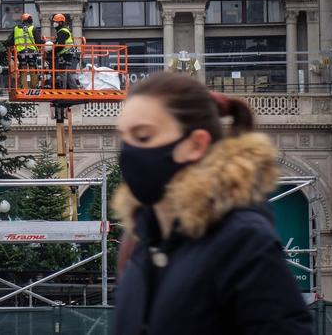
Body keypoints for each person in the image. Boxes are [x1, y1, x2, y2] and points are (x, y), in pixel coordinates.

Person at [112, 72, 312, 335]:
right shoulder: (139, 240)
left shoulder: (244, 242)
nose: (128, 152)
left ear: (196, 144)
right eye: (124, 138)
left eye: (144, 137)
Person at [5, 13, 43, 89]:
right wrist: (46, 42)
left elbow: (10, 41)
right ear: (30, 20)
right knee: (33, 68)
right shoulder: (33, 28)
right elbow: (38, 41)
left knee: (23, 69)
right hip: (32, 52)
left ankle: (24, 88)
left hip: (21, 52)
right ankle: (34, 87)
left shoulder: (16, 28)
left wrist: (4, 45)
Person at [51, 14, 79, 89]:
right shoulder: (63, 30)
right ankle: (75, 90)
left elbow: (60, 45)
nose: (54, 23)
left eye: (55, 22)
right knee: (68, 73)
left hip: (65, 55)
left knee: (63, 74)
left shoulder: (62, 31)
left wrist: (53, 52)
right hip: (67, 54)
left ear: (60, 23)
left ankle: (63, 91)